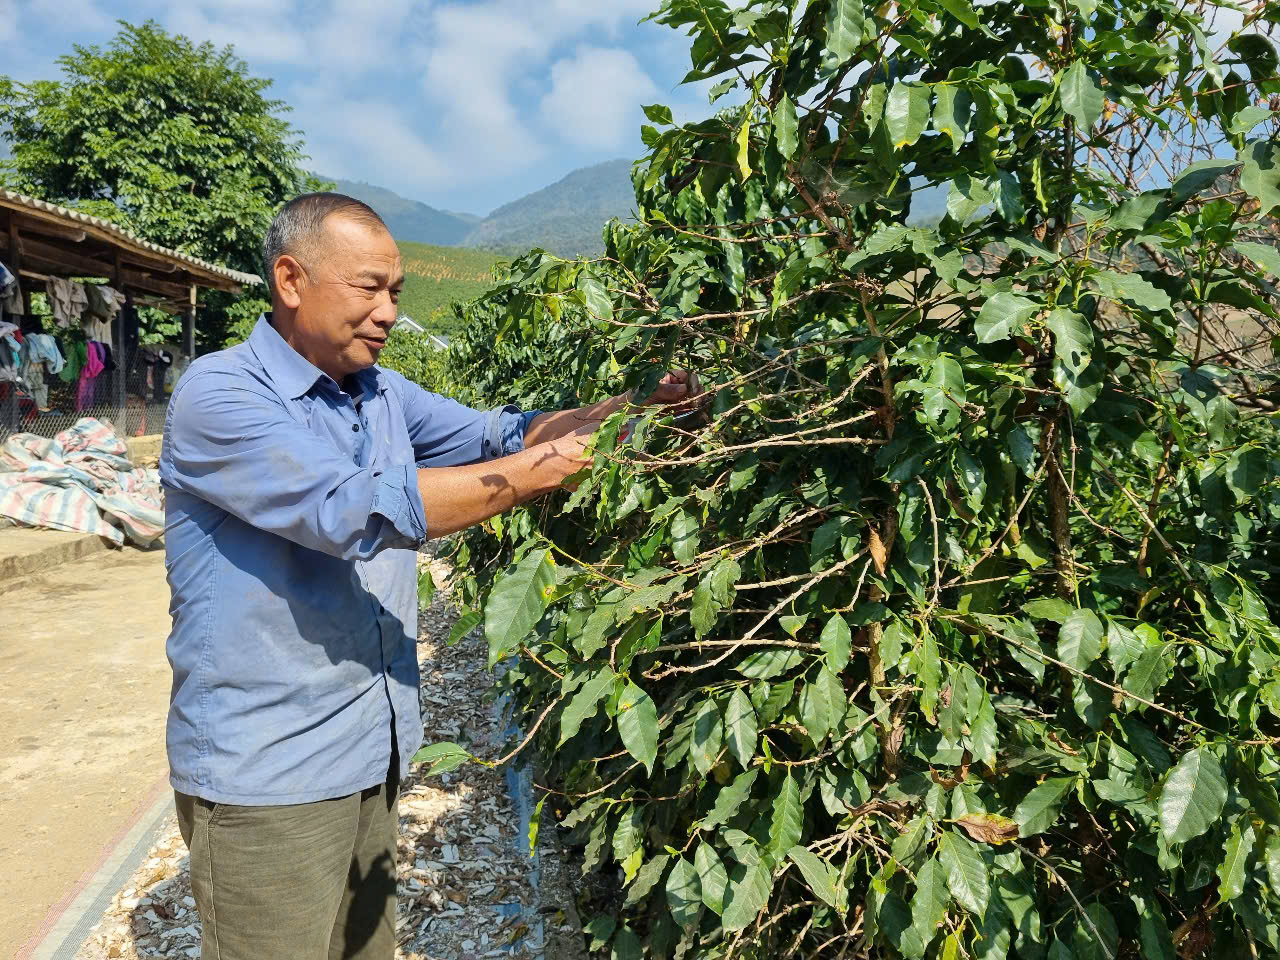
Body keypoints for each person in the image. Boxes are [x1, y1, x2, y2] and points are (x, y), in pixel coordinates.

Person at [159, 193, 701, 960]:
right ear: (290, 279)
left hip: (367, 746)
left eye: (397, 293)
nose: (387, 311)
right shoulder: (222, 395)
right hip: (270, 771)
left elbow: (497, 433)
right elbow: (356, 511)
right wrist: (544, 473)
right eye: (369, 288)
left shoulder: (378, 392)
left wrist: (626, 410)